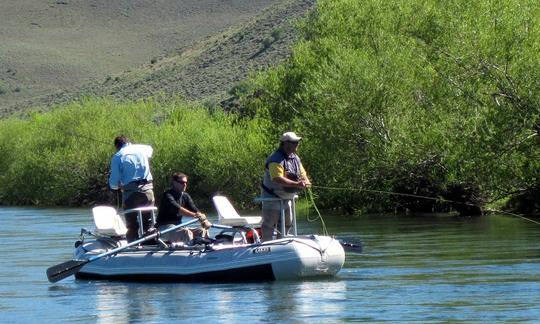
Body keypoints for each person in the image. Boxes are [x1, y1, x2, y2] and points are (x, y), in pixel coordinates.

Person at [261, 131, 311, 241]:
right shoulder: (275, 159)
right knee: (269, 225)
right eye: (294, 142)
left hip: (287, 198)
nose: (297, 144)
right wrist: (297, 184)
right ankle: (266, 245)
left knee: (287, 223)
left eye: (297, 142)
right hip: (272, 198)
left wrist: (306, 181)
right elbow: (277, 178)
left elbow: (303, 174)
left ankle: (281, 243)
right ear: (285, 143)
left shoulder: (295, 158)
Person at [109, 135, 155, 242]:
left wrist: (116, 186)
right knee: (148, 221)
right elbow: (150, 149)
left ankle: (134, 245)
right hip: (148, 190)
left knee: (132, 224)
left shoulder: (117, 156)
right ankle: (151, 244)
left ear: (117, 146)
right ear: (128, 142)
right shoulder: (143, 149)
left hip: (130, 194)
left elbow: (113, 183)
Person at [156, 172, 212, 244]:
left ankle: (205, 248)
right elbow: (178, 210)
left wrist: (203, 219)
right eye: (182, 182)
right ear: (174, 182)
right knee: (186, 232)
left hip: (178, 226)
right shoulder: (167, 195)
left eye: (185, 182)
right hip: (163, 228)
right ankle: (191, 251)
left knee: (202, 231)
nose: (184, 185)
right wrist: (196, 215)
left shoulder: (185, 196)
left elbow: (194, 209)